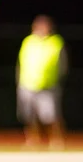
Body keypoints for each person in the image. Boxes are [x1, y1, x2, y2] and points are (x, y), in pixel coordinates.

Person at [17, 16, 66, 147]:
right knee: (29, 116)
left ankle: (56, 140)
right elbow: (20, 63)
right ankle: (32, 140)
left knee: (50, 116)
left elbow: (63, 64)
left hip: (47, 86)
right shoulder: (28, 41)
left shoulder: (55, 42)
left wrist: (58, 80)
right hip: (27, 84)